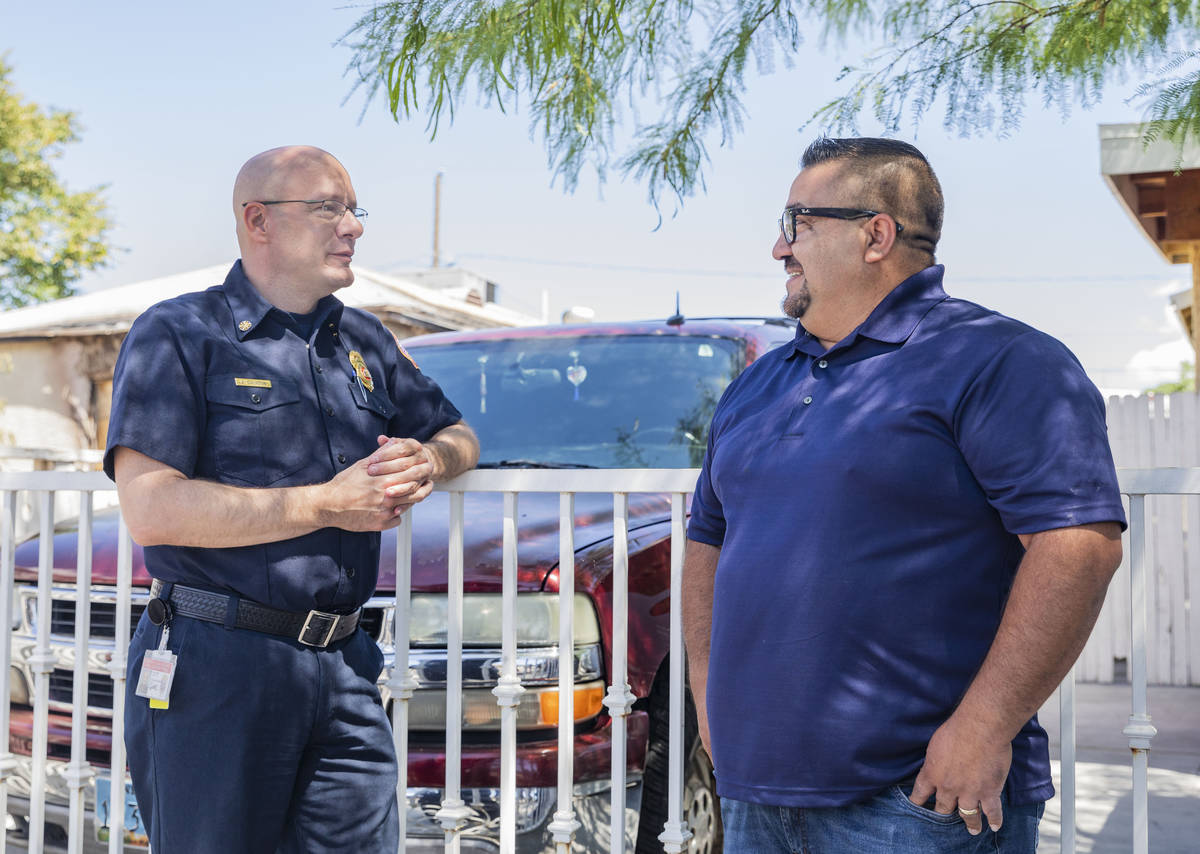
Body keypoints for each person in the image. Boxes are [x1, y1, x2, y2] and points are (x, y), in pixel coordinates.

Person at [682, 137, 1125, 853]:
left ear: (875, 234)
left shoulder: (1001, 360)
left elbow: (1078, 546)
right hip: (758, 793)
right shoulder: (758, 383)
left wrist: (983, 727)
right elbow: (710, 537)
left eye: (797, 223)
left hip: (918, 799)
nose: (777, 247)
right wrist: (708, 692)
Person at [105, 145, 479, 853]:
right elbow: (152, 509)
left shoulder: (362, 339)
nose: (353, 227)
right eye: (328, 208)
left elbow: (458, 433)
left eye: (353, 209)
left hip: (344, 668)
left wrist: (429, 459)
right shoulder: (180, 332)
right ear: (259, 221)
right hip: (217, 668)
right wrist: (325, 505)